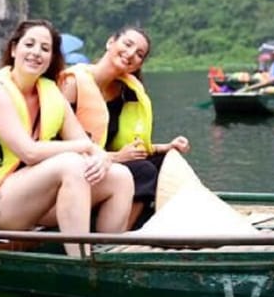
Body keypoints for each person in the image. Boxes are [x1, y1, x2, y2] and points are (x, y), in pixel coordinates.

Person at [0, 19, 133, 256]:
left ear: (50, 58)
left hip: (30, 200)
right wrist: (83, 147)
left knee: (121, 176)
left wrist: (102, 158)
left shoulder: (51, 93)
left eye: (45, 49)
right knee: (71, 164)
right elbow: (29, 152)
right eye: (30, 44)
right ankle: (83, 262)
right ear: (14, 49)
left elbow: (86, 144)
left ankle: (109, 254)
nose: (36, 52)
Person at [59, 26, 190, 229]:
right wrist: (116, 158)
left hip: (107, 162)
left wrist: (166, 147)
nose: (130, 54)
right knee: (144, 171)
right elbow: (55, 143)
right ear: (111, 42)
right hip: (76, 168)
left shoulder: (123, 92)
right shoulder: (73, 84)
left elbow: (123, 146)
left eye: (139, 54)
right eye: (127, 44)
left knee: (163, 161)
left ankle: (136, 221)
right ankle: (120, 233)